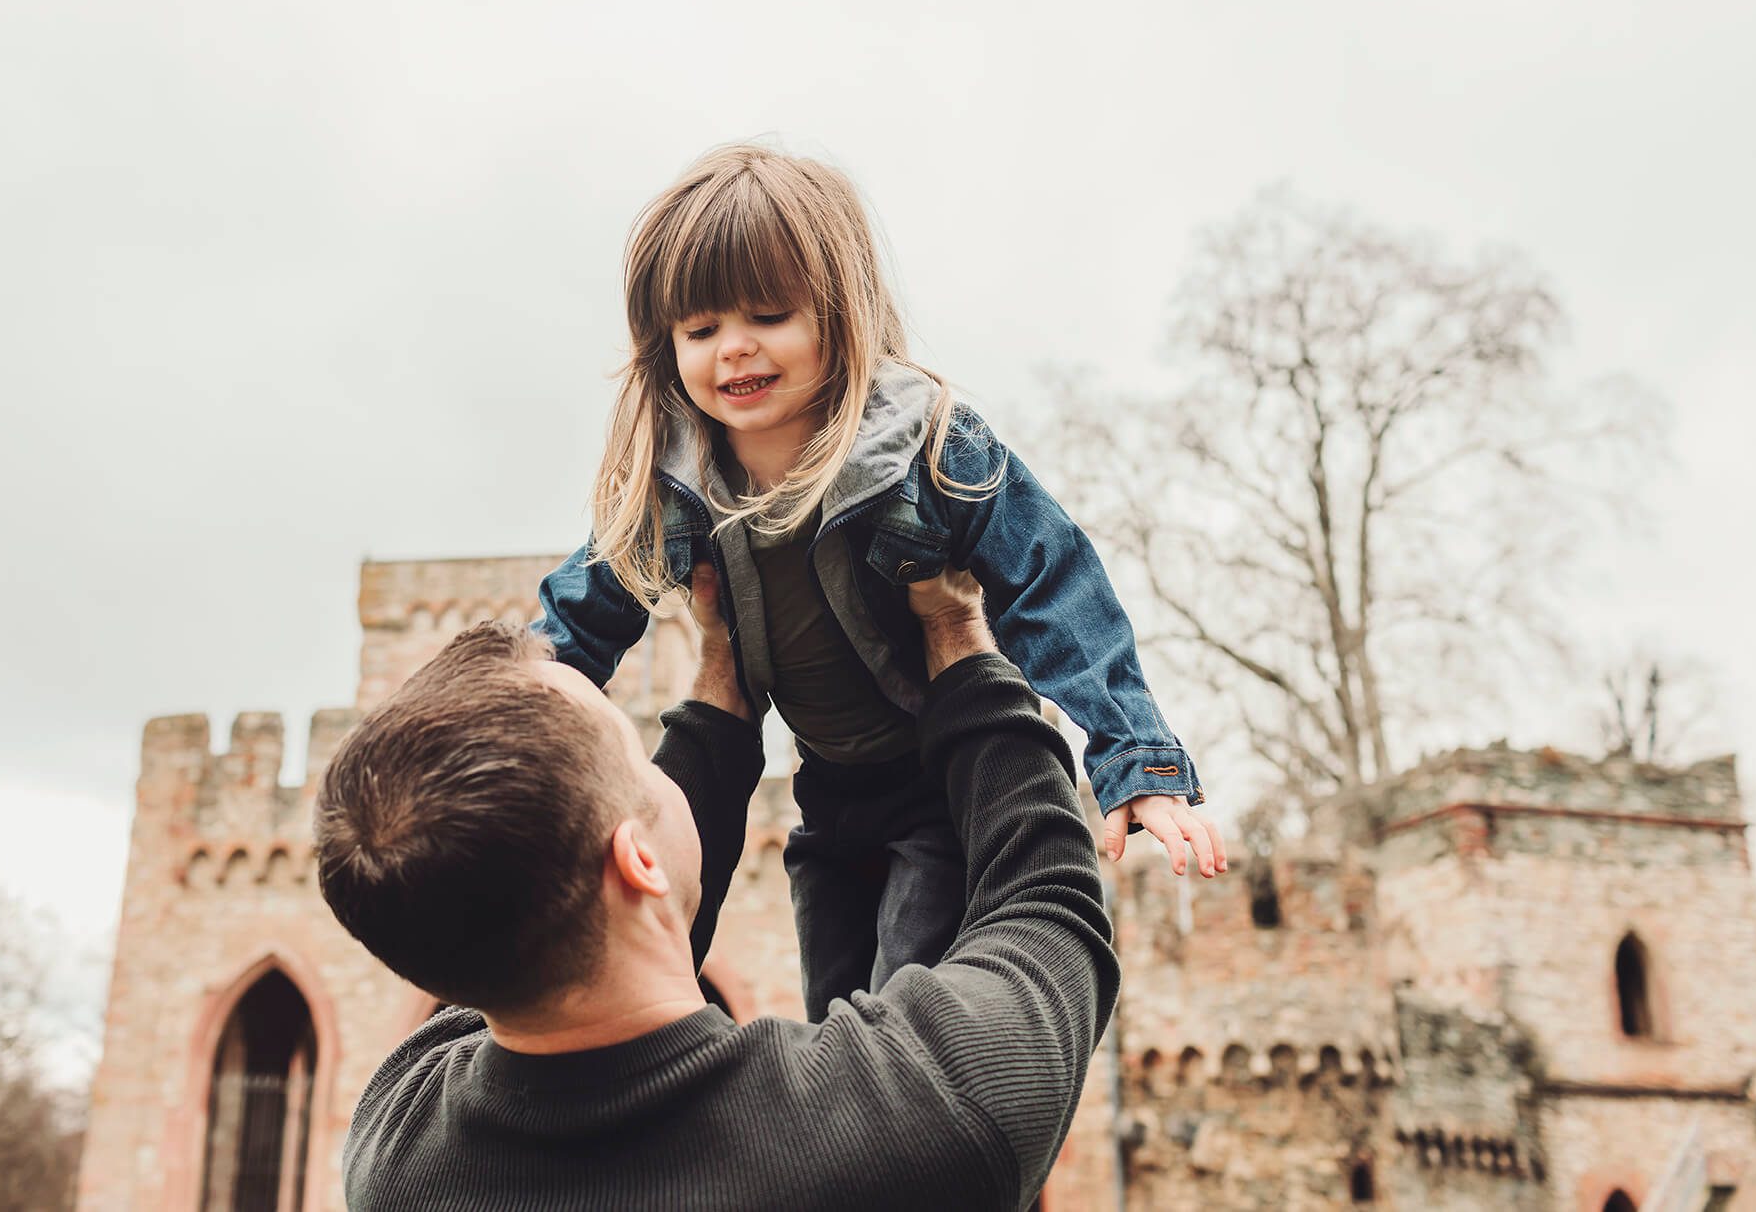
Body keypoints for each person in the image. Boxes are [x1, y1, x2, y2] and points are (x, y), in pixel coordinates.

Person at [535, 142, 1221, 1021]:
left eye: (769, 315)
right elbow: (572, 629)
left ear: (840, 312)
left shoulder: (929, 447)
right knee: (835, 1011)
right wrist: (491, 743)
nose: (733, 349)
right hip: (824, 796)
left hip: (934, 782)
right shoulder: (672, 480)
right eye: (700, 330)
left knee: (906, 1012)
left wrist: (1138, 760)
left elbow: (1053, 583)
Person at [315, 563, 1225, 1210]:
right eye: (639, 754)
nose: (661, 761)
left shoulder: (398, 1153)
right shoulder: (918, 1123)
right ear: (635, 860)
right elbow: (1048, 909)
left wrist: (721, 682)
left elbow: (611, 919)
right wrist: (960, 637)